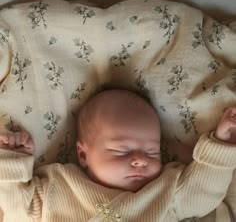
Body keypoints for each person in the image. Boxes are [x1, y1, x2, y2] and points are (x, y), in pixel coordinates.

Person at [0, 88, 235, 222]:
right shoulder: (60, 185)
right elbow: (17, 209)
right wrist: (12, 161)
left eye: (152, 151)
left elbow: (202, 193)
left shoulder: (165, 189)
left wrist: (222, 144)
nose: (140, 159)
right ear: (83, 155)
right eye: (121, 150)